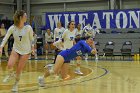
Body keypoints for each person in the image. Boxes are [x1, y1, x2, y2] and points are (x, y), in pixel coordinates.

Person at [0, 10, 34, 92]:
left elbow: (32, 39)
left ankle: (15, 84)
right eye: (25, 16)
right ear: (20, 17)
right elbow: (5, 38)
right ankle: (11, 75)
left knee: (19, 70)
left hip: (26, 51)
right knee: (9, 65)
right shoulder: (12, 28)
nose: (26, 17)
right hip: (16, 49)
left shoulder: (28, 28)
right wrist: (1, 47)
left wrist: (33, 48)